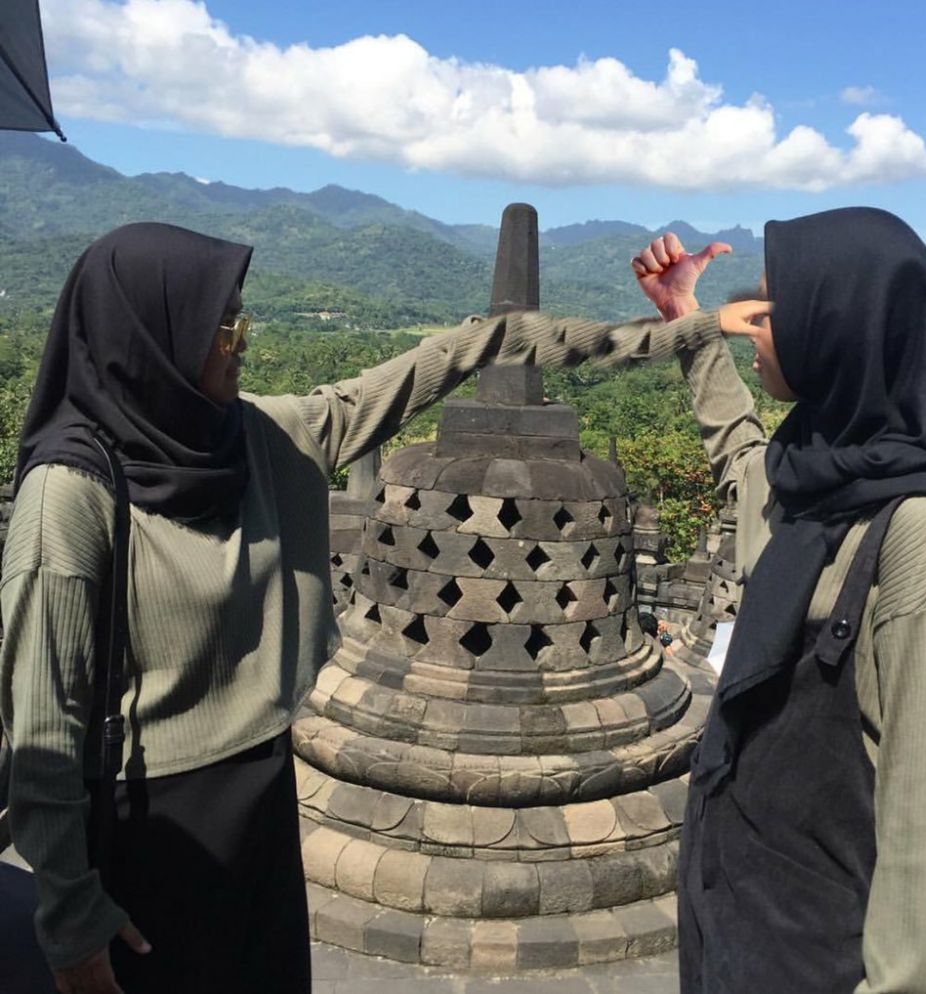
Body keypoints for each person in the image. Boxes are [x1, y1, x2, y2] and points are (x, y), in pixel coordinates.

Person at [0, 221, 731, 994]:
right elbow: (41, 728)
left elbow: (436, 364)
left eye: (242, 318)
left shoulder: (251, 436)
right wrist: (72, 919)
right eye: (225, 325)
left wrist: (675, 333)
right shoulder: (70, 497)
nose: (242, 340)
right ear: (153, 336)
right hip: (149, 819)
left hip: (261, 792)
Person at [631, 209, 926, 994]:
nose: (753, 326)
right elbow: (744, 462)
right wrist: (687, 323)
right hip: (734, 916)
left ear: (841, 328)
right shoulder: (820, 473)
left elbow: (918, 814)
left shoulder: (925, 539)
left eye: (773, 310)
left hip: (818, 956)